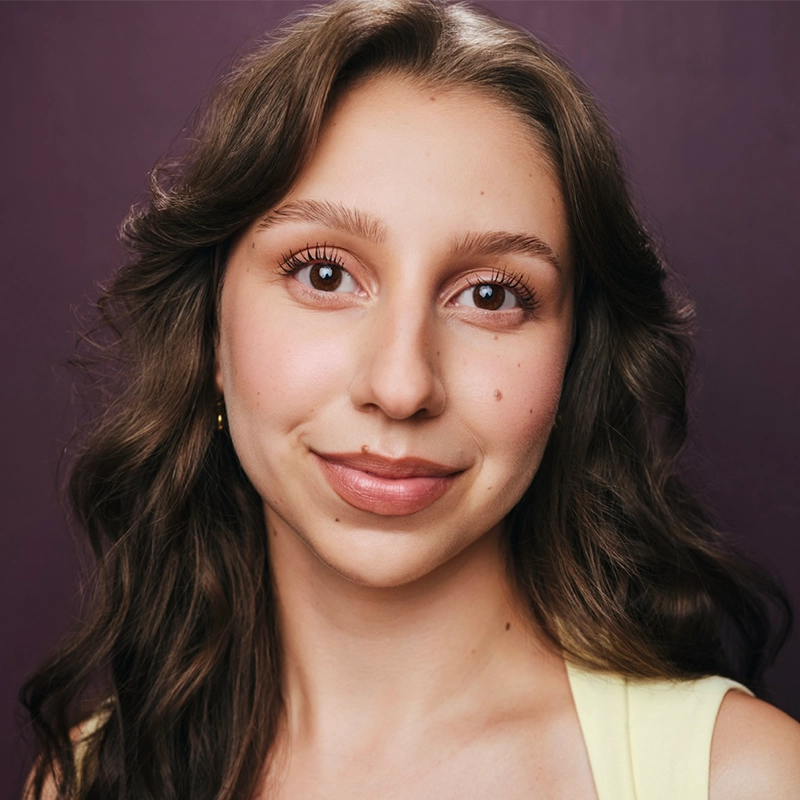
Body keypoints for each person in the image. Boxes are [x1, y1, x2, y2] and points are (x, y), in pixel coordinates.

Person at [21, 0, 800, 798]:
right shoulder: (86, 779)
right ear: (211, 332)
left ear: (574, 359)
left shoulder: (747, 780)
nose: (401, 387)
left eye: (491, 295)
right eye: (325, 274)